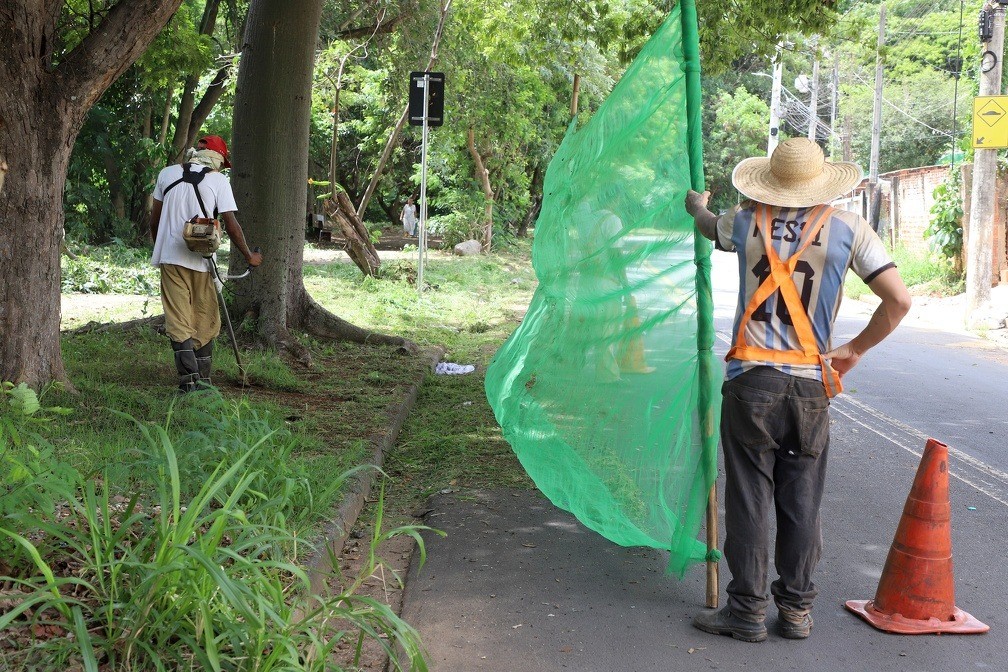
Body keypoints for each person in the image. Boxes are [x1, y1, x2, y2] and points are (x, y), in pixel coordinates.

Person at [684, 137, 911, 642]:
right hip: (810, 388)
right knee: (802, 501)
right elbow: (898, 300)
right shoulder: (849, 228)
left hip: (750, 384)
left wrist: (695, 204)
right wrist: (855, 349)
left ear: (770, 180)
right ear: (819, 180)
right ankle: (795, 611)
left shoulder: (742, 223)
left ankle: (745, 612)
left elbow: (706, 226)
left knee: (749, 500)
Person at [149, 135, 262, 392]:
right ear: (217, 159)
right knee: (206, 317)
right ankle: (203, 380)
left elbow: (153, 220)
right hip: (202, 260)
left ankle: (188, 382)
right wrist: (249, 256)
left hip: (170, 259)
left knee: (178, 319)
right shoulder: (218, 180)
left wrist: (162, 246)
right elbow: (231, 225)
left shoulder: (166, 174)